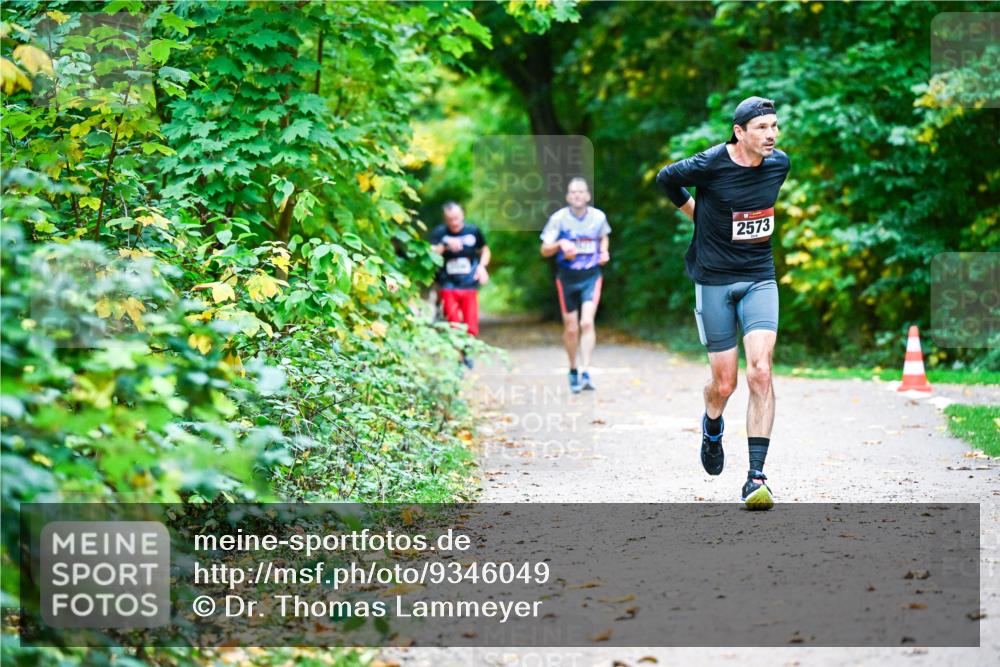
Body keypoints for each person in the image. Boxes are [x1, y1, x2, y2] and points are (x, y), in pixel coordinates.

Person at [655, 96, 790, 510]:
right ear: (739, 132)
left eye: (774, 126)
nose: (771, 135)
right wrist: (697, 213)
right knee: (725, 384)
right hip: (714, 280)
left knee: (761, 373)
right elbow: (665, 178)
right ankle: (712, 426)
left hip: (759, 277)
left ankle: (755, 476)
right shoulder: (710, 162)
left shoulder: (780, 164)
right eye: (762, 128)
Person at [540, 177, 611, 394]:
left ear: (588, 196)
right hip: (567, 278)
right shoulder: (558, 219)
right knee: (571, 328)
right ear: (568, 197)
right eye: (573, 192)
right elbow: (544, 250)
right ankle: (573, 369)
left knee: (587, 323)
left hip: (591, 276)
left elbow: (603, 237)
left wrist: (604, 252)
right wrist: (560, 244)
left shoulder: (598, 217)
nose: (577, 195)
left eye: (581, 191)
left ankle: (586, 371)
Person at [429, 202, 490, 367]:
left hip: (469, 283)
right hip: (447, 284)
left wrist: (482, 267)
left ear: (462, 215)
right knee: (454, 323)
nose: (454, 222)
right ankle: (459, 356)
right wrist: (446, 246)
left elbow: (485, 250)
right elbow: (430, 253)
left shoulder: (473, 231)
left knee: (471, 324)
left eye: (456, 218)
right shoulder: (439, 233)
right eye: (450, 220)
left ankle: (467, 351)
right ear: (445, 219)